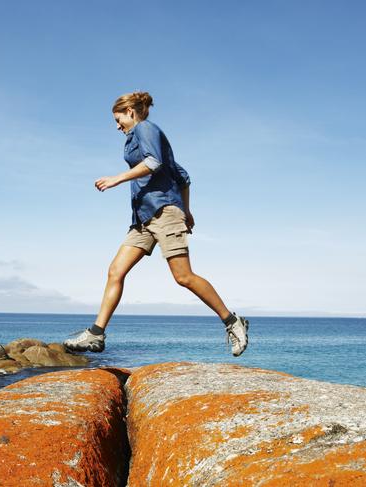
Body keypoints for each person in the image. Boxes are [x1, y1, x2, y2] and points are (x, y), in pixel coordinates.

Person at [63, 91, 249, 356]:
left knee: (183, 276)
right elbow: (182, 176)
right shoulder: (136, 138)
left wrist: (117, 179)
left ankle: (233, 322)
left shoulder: (145, 129)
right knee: (116, 270)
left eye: (119, 119)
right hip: (143, 219)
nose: (117, 126)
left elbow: (153, 163)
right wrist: (187, 209)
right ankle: (96, 334)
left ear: (130, 112)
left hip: (163, 212)